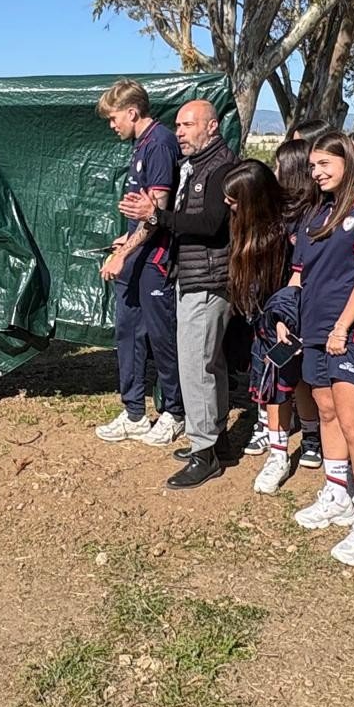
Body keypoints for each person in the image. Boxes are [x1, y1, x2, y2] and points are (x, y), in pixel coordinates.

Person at [287, 132, 354, 566]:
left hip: (350, 330)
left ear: (349, 162)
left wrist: (342, 326)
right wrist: (285, 317)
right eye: (313, 166)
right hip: (312, 330)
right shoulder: (314, 213)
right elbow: (299, 276)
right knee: (326, 411)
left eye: (325, 164)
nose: (317, 173)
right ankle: (337, 492)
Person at [119, 99, 238, 490]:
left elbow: (208, 224)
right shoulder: (196, 166)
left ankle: (204, 451)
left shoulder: (221, 168)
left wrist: (155, 217)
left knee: (194, 366)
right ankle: (214, 438)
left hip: (207, 279)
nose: (180, 132)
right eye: (179, 125)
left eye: (188, 125)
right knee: (209, 363)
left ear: (213, 126)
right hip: (193, 275)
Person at [94, 79, 185, 446]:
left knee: (161, 337)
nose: (111, 125)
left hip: (156, 259)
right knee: (127, 332)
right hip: (137, 255)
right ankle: (133, 411)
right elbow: (141, 214)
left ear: (132, 112)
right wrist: (125, 239)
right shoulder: (140, 145)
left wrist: (123, 253)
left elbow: (157, 214)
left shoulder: (160, 143)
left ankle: (175, 412)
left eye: (113, 118)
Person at [221, 160, 298, 494]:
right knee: (261, 379)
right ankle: (269, 427)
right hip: (256, 319)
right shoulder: (243, 229)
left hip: (278, 322)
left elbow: (286, 284)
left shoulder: (280, 236)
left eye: (234, 199)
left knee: (278, 381)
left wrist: (279, 317)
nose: (228, 205)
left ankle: (283, 439)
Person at [272, 139, 322, 470]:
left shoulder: (315, 215)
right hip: (281, 302)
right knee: (279, 371)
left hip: (307, 304)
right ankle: (274, 439)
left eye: (279, 166)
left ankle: (312, 436)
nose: (274, 172)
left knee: (305, 377)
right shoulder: (278, 212)